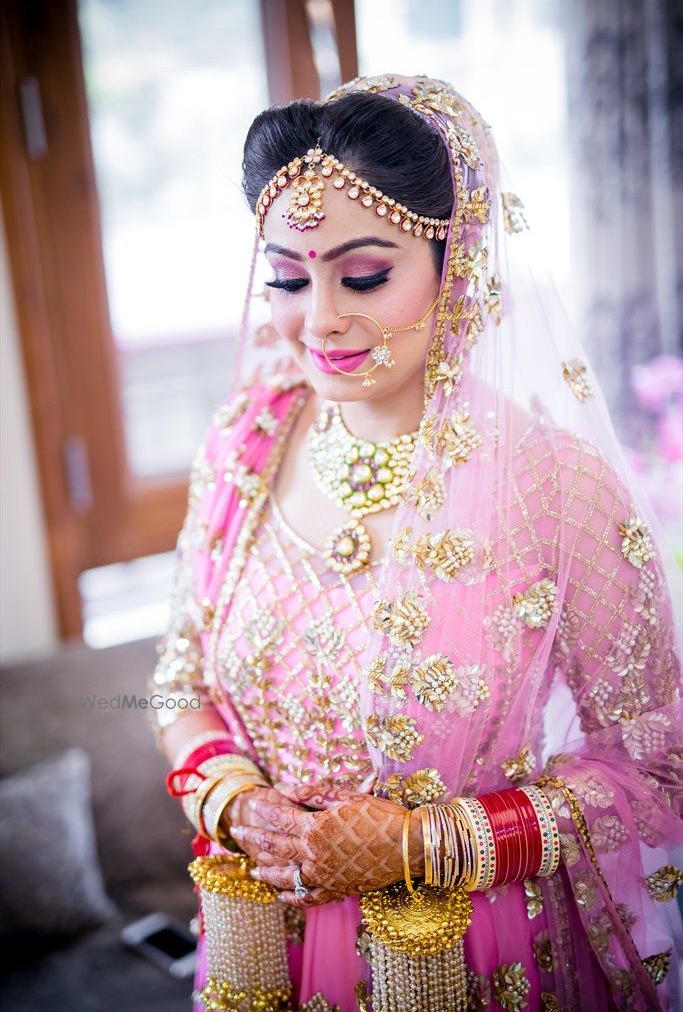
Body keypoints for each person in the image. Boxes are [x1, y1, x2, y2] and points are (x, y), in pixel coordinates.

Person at [149, 75, 681, 1012]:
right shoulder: (247, 438)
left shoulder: (550, 482)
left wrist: (419, 844)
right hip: (262, 936)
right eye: (285, 276)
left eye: (362, 276)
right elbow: (179, 676)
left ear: (456, 259)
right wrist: (233, 800)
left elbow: (652, 763)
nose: (318, 317)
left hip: (470, 945)